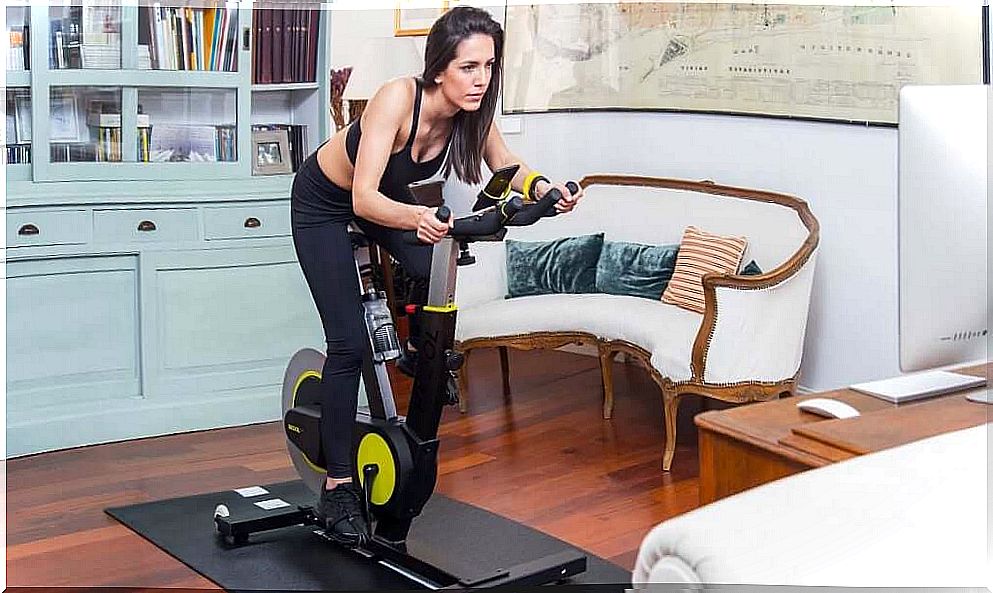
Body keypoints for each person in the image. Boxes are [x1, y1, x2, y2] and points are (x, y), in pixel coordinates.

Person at [290, 5, 583, 546]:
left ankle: (416, 355)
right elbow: (363, 197)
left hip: (387, 204)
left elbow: (505, 161)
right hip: (326, 205)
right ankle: (337, 487)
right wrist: (419, 217)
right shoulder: (397, 99)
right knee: (349, 345)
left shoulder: (473, 110)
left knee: (434, 269)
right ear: (439, 67)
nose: (481, 79)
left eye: (489, 66)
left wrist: (544, 190)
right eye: (469, 67)